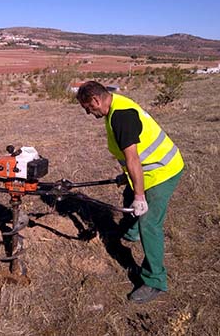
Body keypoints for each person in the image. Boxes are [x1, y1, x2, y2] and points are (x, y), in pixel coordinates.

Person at [76, 81, 184, 304]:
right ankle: (132, 232)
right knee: (128, 196)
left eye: (88, 108)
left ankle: (155, 280)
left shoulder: (121, 117)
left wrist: (140, 197)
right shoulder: (114, 106)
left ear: (96, 100)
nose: (88, 113)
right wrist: (127, 178)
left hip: (162, 172)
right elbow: (133, 157)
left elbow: (133, 158)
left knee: (149, 223)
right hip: (151, 169)